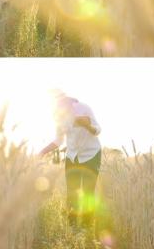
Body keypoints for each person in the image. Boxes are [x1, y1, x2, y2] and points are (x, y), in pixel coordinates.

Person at [39, 90, 102, 235]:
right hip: (72, 156)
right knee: (72, 192)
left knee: (88, 192)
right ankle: (73, 228)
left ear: (68, 100)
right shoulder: (58, 117)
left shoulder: (84, 108)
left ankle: (86, 229)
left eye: (61, 103)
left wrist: (87, 126)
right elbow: (58, 141)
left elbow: (98, 129)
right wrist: (42, 152)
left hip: (91, 154)